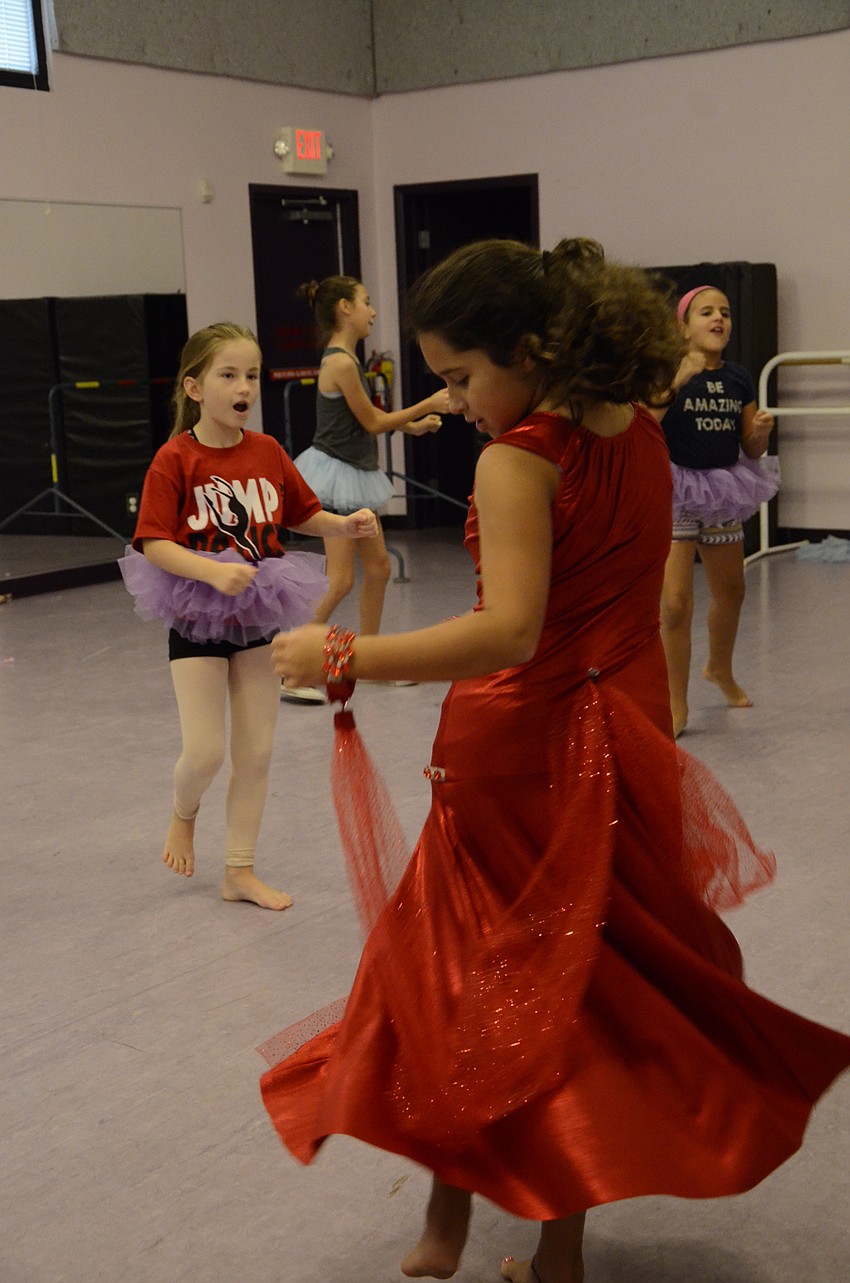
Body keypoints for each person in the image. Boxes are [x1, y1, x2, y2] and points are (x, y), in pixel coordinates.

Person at [259, 242, 850, 1282]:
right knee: (564, 982)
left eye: (460, 375)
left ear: (528, 350)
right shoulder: (639, 430)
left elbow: (508, 633)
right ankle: (541, 1242)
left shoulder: (520, 455)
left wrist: (340, 649)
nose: (454, 400)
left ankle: (463, 1227)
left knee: (461, 978)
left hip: (521, 751)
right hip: (621, 735)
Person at [119, 322, 377, 910]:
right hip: (196, 615)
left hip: (258, 611)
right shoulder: (175, 457)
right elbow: (153, 543)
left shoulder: (266, 451)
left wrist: (343, 525)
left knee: (257, 750)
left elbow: (301, 512)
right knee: (206, 751)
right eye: (228, 375)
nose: (244, 387)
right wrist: (211, 571)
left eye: (252, 375)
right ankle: (184, 814)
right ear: (194, 388)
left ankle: (238, 870)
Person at [282, 275, 449, 702]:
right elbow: (374, 422)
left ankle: (367, 664)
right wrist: (428, 403)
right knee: (339, 580)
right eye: (367, 303)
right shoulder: (338, 362)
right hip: (335, 481)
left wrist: (411, 425)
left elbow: (364, 419)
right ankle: (292, 670)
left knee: (378, 569)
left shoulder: (348, 361)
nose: (373, 311)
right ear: (344, 308)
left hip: (351, 473)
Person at [657, 286, 779, 737]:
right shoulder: (668, 370)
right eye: (706, 312)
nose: (718, 319)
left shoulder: (739, 378)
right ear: (683, 325)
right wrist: (678, 379)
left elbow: (749, 445)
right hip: (674, 488)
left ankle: (719, 669)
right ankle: (674, 699)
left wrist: (761, 433)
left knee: (732, 591)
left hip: (724, 489)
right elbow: (646, 417)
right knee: (674, 604)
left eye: (725, 312)